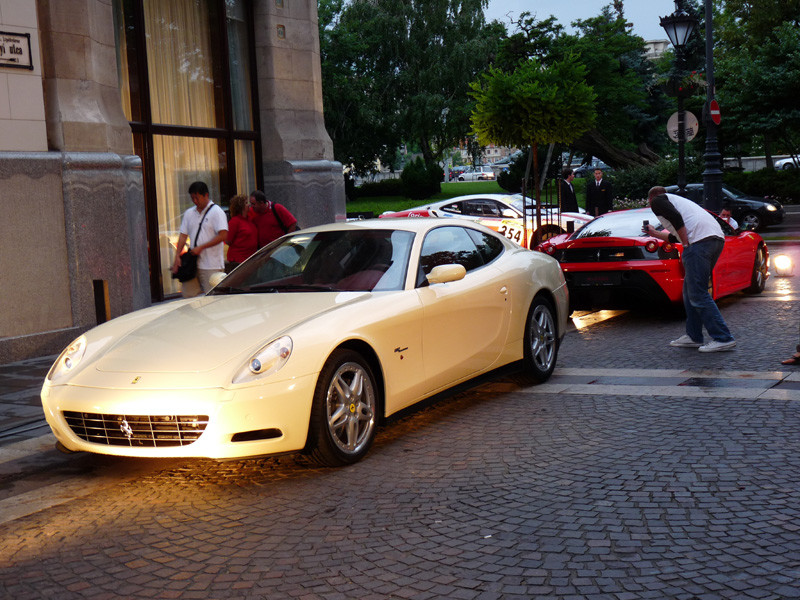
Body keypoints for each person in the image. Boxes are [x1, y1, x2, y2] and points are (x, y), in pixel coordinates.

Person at [643, 185, 736, 352]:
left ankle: (723, 337)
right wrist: (655, 234)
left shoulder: (657, 200)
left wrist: (686, 244)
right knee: (689, 290)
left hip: (698, 243)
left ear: (650, 200)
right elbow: (675, 235)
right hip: (714, 240)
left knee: (697, 292)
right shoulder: (680, 203)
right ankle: (693, 336)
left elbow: (676, 219)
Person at [171, 181, 228, 298]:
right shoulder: (189, 213)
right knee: (188, 296)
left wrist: (201, 247)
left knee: (213, 298)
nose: (195, 201)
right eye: (192, 198)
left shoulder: (217, 212)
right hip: (192, 262)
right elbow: (183, 235)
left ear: (206, 195)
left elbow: (223, 235)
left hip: (212, 264)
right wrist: (177, 256)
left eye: (197, 198)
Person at [225, 194, 258, 272]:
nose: (249, 205)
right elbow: (228, 240)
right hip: (238, 261)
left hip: (250, 259)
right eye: (246, 203)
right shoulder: (235, 221)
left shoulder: (249, 219)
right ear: (241, 207)